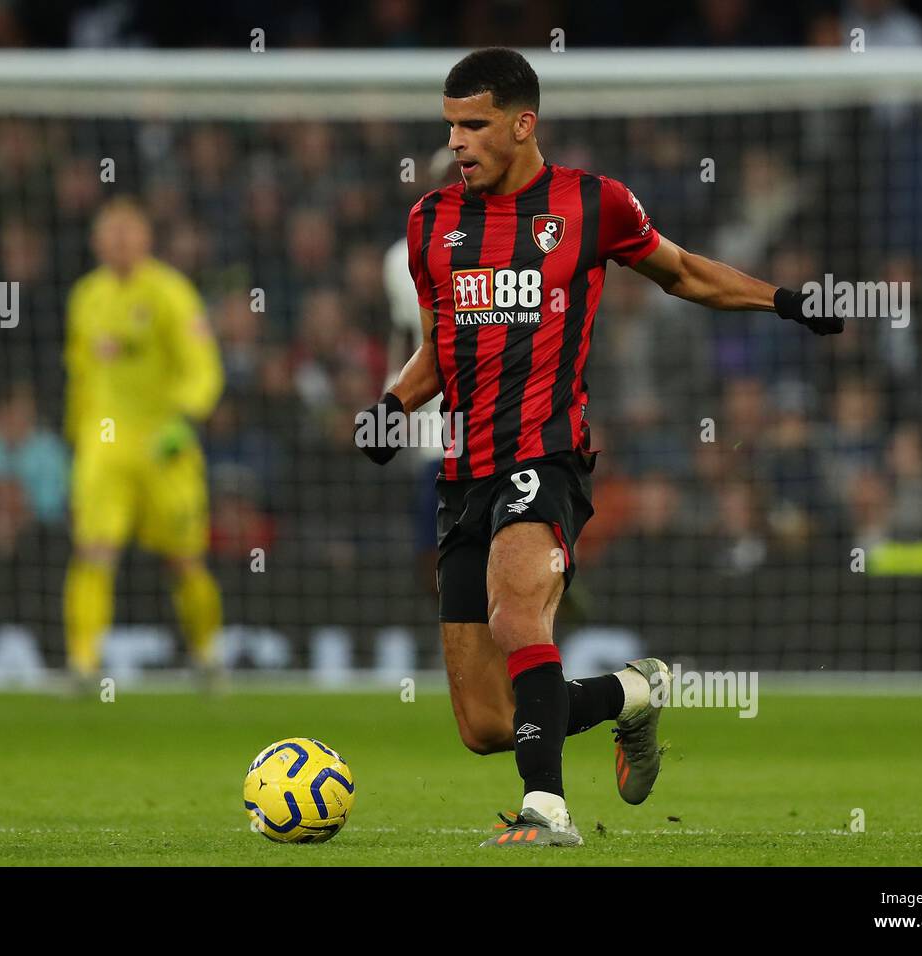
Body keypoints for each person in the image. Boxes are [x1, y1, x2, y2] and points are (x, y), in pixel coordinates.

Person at [356, 48, 842, 847]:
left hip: (547, 453)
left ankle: (547, 810)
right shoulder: (431, 222)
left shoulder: (591, 204)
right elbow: (445, 346)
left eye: (473, 125)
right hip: (461, 468)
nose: (458, 143)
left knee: (521, 610)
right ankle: (632, 694)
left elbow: (682, 273)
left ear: (523, 123)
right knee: (485, 722)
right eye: (449, 127)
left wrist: (783, 300)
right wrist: (390, 404)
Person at [62, 198, 225, 685]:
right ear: (96, 242)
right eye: (109, 235)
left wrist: (185, 417)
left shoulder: (170, 293)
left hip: (162, 442)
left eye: (127, 234)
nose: (118, 243)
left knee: (185, 559)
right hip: (104, 445)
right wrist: (78, 432)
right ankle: (83, 662)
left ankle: (207, 652)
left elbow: (202, 368)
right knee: (93, 550)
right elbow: (81, 373)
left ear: (146, 239)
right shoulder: (86, 296)